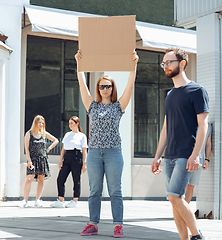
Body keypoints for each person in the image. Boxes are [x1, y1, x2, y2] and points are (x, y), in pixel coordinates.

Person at [75, 49, 139, 238]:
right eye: (102, 86)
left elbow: (129, 86)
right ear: (98, 88)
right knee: (95, 190)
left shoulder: (118, 106)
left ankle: (118, 225)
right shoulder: (91, 105)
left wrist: (134, 65)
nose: (105, 89)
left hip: (113, 153)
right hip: (94, 153)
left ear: (112, 88)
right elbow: (81, 84)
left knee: (115, 191)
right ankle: (93, 224)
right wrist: (79, 64)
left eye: (108, 86)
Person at [151, 48, 209, 240]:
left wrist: (196, 155)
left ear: (182, 63)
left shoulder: (197, 91)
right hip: (170, 156)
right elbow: (166, 128)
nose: (165, 66)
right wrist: (158, 155)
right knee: (175, 201)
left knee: (174, 196)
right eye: (164, 63)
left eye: (169, 62)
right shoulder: (169, 94)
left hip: (187, 153)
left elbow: (203, 125)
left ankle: (197, 235)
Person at [18, 115, 59, 208]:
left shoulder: (43, 133)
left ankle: (38, 200)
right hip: (33, 159)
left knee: (41, 180)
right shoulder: (29, 133)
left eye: (42, 123)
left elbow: (55, 140)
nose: (41, 124)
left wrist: (48, 149)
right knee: (29, 178)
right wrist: (29, 161)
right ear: (35, 123)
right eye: (39, 122)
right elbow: (27, 148)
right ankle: (25, 200)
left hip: (42, 159)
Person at [50, 116, 88, 208]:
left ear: (77, 123)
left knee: (76, 180)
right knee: (60, 179)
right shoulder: (67, 134)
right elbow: (63, 149)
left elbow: (84, 150)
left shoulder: (82, 136)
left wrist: (84, 163)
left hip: (76, 157)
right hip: (67, 158)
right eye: (69, 123)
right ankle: (60, 199)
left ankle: (75, 200)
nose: (70, 125)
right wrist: (60, 161)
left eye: (72, 123)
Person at [185, 123, 212, 204]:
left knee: (190, 186)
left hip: (198, 161)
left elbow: (208, 143)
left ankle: (183, 211)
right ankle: (179, 212)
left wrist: (207, 159)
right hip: (183, 158)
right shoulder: (187, 120)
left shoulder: (208, 125)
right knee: (181, 186)